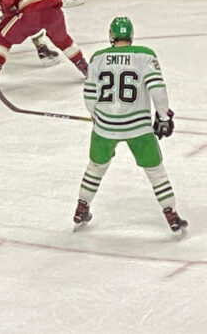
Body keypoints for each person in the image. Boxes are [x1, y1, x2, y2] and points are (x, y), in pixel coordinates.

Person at [73, 16, 188, 237]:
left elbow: (89, 95)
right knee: (156, 172)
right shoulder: (144, 55)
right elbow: (157, 89)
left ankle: (81, 209)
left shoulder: (98, 58)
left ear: (111, 36)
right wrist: (163, 117)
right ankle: (171, 215)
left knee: (95, 168)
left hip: (105, 126)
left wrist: (97, 118)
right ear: (131, 36)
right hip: (138, 127)